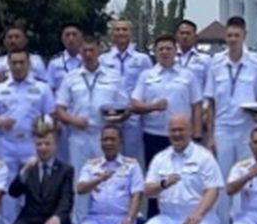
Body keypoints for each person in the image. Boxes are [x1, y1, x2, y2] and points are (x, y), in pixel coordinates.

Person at [204, 16, 257, 224]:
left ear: (245, 36)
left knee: (248, 180)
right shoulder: (215, 63)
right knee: (224, 181)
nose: (233, 39)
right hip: (223, 129)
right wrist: (210, 136)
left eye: (237, 35)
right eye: (229, 36)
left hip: (247, 129)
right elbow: (211, 102)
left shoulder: (256, 64)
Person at [0, 49, 56, 224]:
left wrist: (44, 128)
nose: (18, 66)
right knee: (7, 187)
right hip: (6, 143)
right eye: (14, 63)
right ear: (8, 65)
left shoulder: (42, 87)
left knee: (36, 184)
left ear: (29, 64)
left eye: (21, 62)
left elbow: (52, 116)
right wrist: (0, 122)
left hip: (32, 143)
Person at [55, 38, 128, 184]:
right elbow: (59, 109)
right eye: (84, 51)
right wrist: (73, 120)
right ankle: (79, 208)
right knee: (79, 179)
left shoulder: (113, 76)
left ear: (99, 51)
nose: (88, 54)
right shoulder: (71, 78)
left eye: (92, 50)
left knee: (106, 179)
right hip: (79, 136)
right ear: (80, 53)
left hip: (105, 135)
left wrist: (116, 118)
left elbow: (126, 108)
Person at [131, 34, 204, 167]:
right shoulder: (146, 76)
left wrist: (197, 135)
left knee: (183, 174)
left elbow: (197, 106)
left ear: (176, 50)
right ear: (155, 51)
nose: (165, 52)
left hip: (181, 134)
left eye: (168, 49)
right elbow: (135, 104)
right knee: (156, 175)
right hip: (153, 135)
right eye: (161, 49)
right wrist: (151, 107)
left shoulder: (188, 75)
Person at [102, 19, 153, 161]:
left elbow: (149, 86)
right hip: (111, 116)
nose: (121, 33)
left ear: (131, 34)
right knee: (110, 154)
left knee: (133, 157)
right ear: (112, 34)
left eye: (124, 29)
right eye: (117, 30)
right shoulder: (103, 60)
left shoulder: (142, 60)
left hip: (134, 116)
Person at [0, 25, 48, 89]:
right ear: (4, 41)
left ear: (25, 40)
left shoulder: (36, 60)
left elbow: (45, 84)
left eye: (17, 37)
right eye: (10, 37)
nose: (13, 40)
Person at [47, 23, 85, 92]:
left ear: (81, 37)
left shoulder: (87, 61)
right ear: (62, 39)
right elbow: (50, 90)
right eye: (67, 35)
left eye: (74, 34)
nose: (71, 38)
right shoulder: (55, 63)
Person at [174, 19, 211, 88]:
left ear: (195, 37)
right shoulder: (170, 58)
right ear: (176, 36)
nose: (185, 37)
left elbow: (209, 85)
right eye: (182, 33)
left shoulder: (205, 60)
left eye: (188, 33)